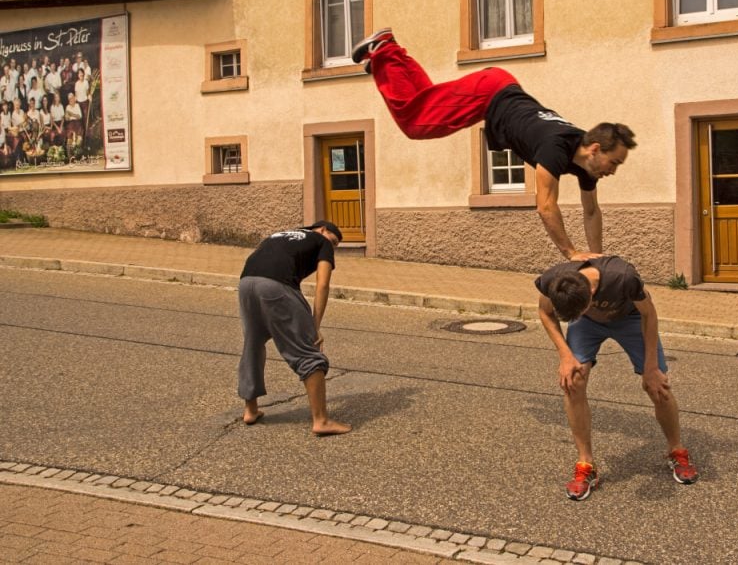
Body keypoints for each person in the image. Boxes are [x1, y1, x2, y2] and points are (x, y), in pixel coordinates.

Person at [353, 28, 636, 262]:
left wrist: (598, 258)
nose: (614, 170)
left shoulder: (586, 163)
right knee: (414, 124)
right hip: (489, 93)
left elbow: (590, 211)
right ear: (596, 149)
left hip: (498, 87)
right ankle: (385, 51)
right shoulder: (555, 148)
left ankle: (386, 57)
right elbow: (546, 207)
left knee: (425, 103)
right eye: (615, 162)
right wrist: (571, 253)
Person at [535, 255, 698, 500]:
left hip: (630, 320)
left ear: (591, 291)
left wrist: (651, 367)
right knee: (573, 381)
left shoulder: (623, 277)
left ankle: (677, 449)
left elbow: (649, 315)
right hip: (587, 324)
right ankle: (586, 464)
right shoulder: (552, 280)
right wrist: (565, 355)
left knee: (657, 386)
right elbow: (544, 311)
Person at [237, 220, 352, 435]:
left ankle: (250, 410)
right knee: (308, 349)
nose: (333, 247)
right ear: (323, 230)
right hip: (275, 285)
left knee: (253, 343)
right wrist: (315, 324)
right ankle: (321, 421)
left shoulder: (279, 233)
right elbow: (323, 283)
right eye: (334, 242)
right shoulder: (321, 240)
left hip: (246, 282)